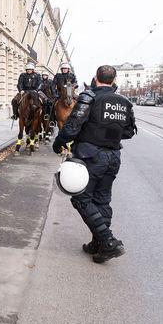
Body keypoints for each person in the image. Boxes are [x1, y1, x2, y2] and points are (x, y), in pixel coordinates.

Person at [53, 65, 136, 264]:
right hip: (113, 157)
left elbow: (72, 126)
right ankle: (98, 244)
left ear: (95, 78)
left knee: (81, 199)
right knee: (102, 200)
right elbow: (129, 132)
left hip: (91, 157)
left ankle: (108, 241)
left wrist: (59, 143)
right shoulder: (125, 102)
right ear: (114, 80)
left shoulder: (89, 97)